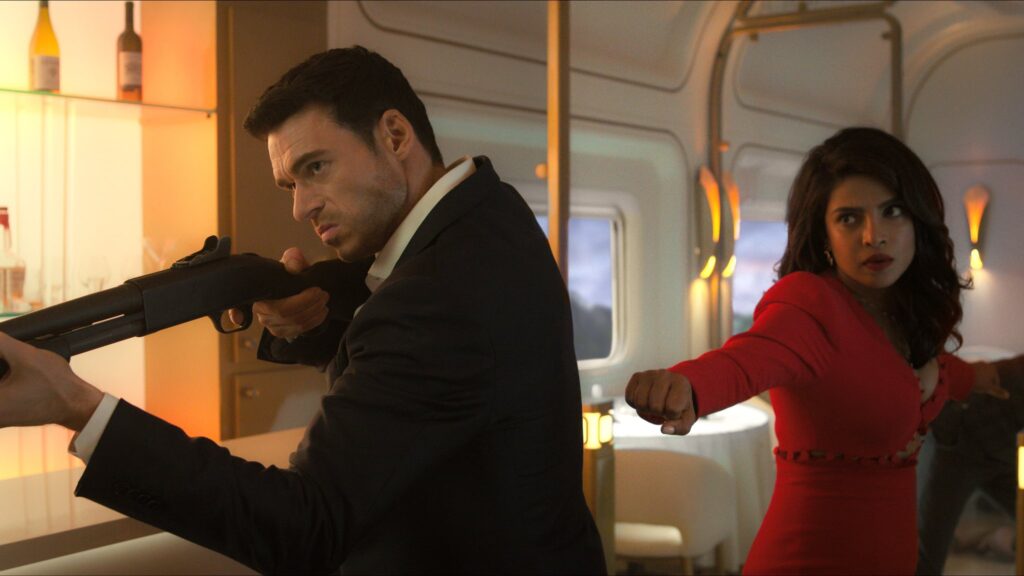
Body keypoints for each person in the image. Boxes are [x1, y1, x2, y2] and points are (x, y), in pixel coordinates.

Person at [0, 46, 605, 574]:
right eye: (291, 184)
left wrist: (78, 407)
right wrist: (320, 321)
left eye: (316, 168)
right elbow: (432, 375)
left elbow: (305, 527)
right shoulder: (490, 211)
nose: (301, 208)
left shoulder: (434, 296)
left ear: (395, 136)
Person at [625, 126, 1008, 574]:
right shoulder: (810, 305)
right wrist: (687, 386)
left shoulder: (905, 313)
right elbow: (744, 360)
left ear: (918, 221)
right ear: (824, 235)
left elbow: (938, 371)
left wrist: (987, 376)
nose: (873, 235)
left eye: (893, 211)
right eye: (849, 218)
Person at [917, 353, 1024, 574]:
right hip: (957, 445)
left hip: (1002, 452)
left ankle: (981, 539)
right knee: (927, 555)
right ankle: (979, 539)